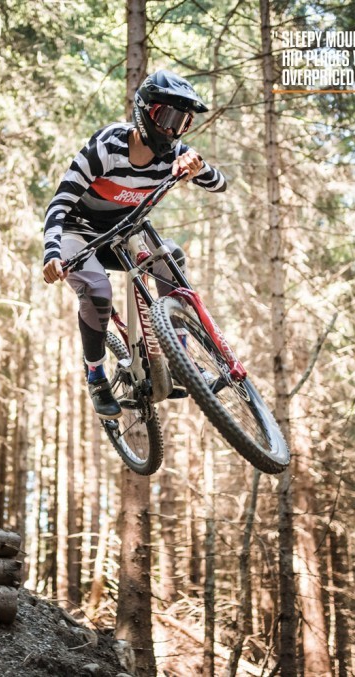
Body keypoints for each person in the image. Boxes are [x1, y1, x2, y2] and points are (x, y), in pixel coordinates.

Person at [42, 69, 227, 418]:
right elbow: (59, 203)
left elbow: (220, 184)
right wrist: (51, 252)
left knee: (170, 257)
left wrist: (198, 167)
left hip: (122, 235)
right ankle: (96, 377)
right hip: (77, 232)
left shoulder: (175, 154)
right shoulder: (107, 146)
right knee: (97, 291)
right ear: (144, 112)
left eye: (183, 123)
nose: (173, 131)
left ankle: (181, 359)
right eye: (167, 118)